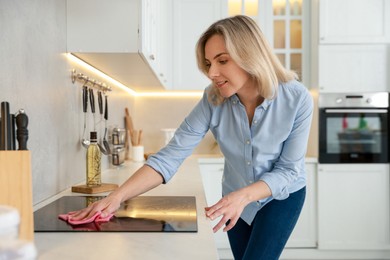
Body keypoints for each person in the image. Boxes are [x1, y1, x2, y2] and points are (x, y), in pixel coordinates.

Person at [70, 15, 313, 260]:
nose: (212, 73)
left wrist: (243, 196)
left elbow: (288, 170)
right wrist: (116, 198)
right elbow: (170, 156)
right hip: (234, 195)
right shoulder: (213, 98)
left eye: (223, 61)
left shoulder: (297, 98)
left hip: (281, 196)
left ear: (250, 55)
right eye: (209, 63)